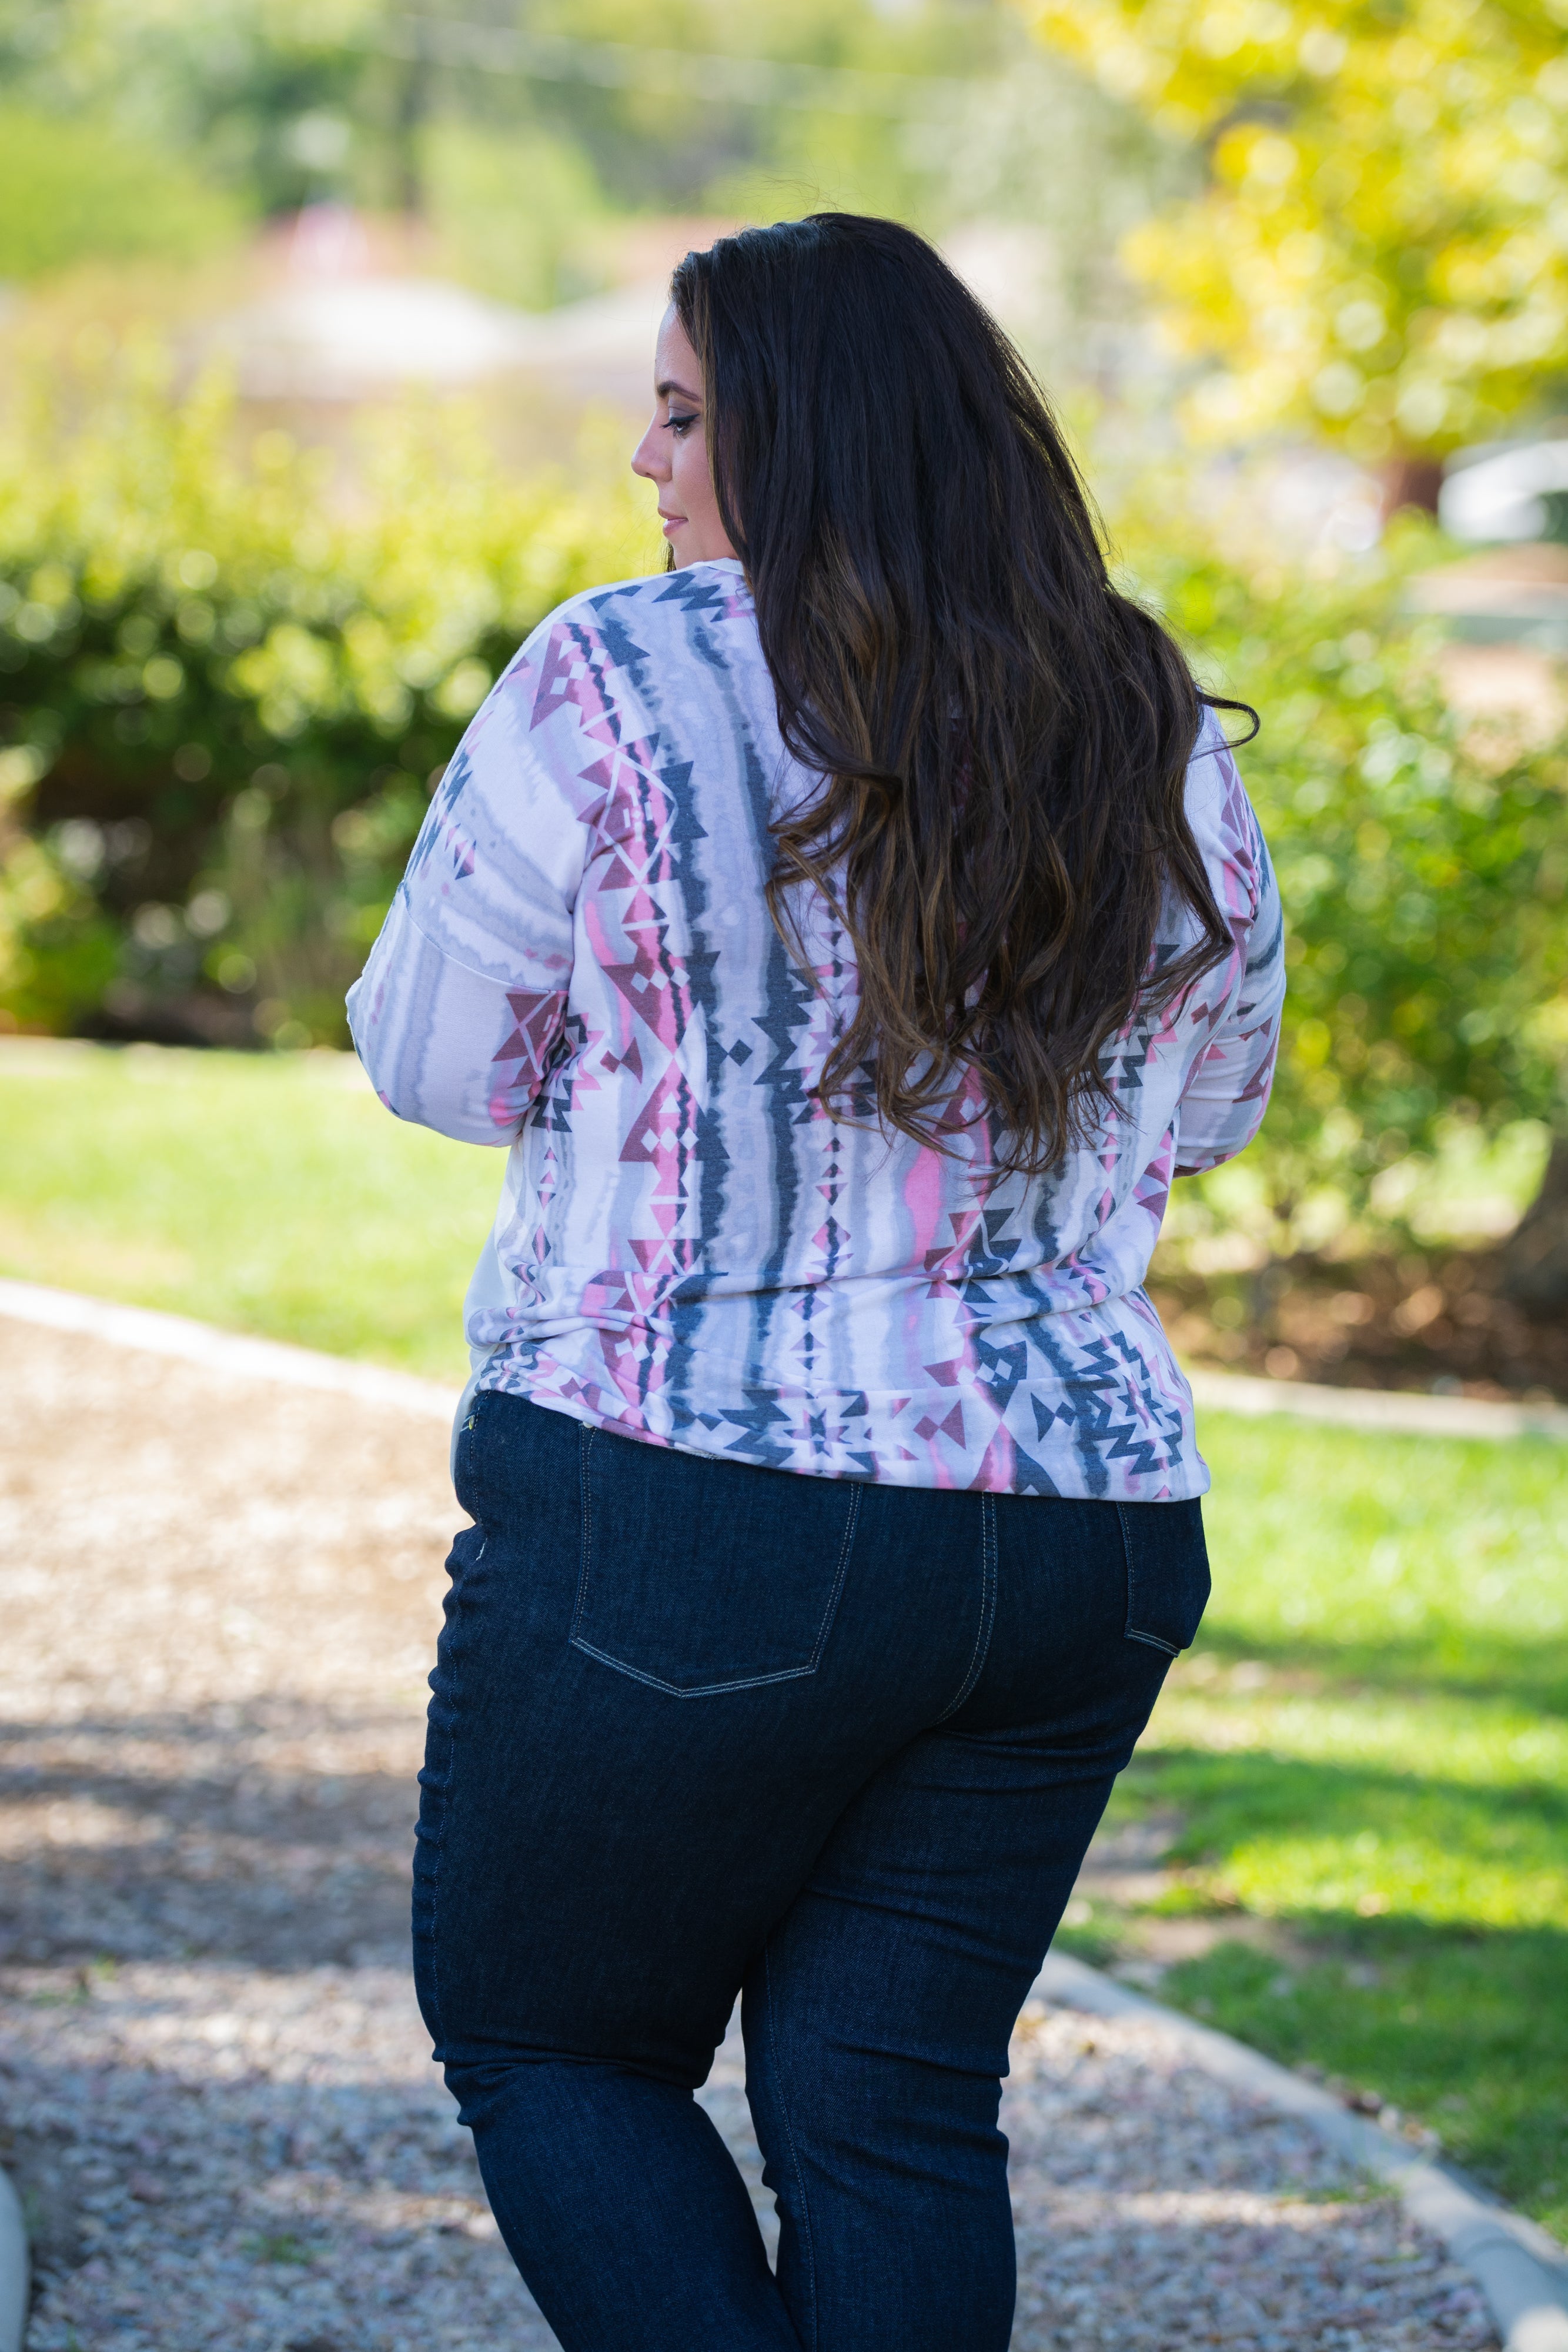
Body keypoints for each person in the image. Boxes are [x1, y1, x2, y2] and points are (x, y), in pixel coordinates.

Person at [347, 212, 1285, 2352]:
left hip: (694, 1503)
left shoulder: (620, 671)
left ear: (817, 437)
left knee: (555, 2047)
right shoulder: (1139, 704)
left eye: (686, 415)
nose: (646, 465)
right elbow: (1205, 1101)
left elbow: (430, 1059)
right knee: (891, 2106)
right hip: (1081, 1540)